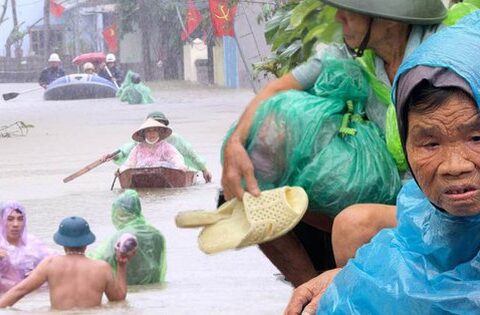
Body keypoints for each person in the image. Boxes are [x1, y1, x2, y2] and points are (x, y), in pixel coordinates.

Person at [220, 0, 447, 287]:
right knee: (250, 186)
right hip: (394, 192)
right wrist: (236, 146)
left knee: (352, 225)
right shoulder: (352, 55)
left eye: (349, 13)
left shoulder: (444, 52)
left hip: (443, 200)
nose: (339, 17)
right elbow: (276, 91)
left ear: (389, 19)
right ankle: (310, 291)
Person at [285, 10, 480, 314]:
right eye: (429, 144)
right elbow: (417, 258)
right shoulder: (422, 211)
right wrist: (354, 280)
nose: (454, 165)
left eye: (476, 139)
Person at [0, 216, 135, 310]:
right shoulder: (102, 268)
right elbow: (118, 299)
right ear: (87, 242)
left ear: (61, 242)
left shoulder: (50, 264)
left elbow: (19, 291)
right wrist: (121, 265)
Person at [111, 111, 212, 182]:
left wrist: (204, 169)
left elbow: (180, 158)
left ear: (162, 130)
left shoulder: (169, 145)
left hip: (167, 171)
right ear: (144, 133)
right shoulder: (139, 147)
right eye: (148, 130)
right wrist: (121, 169)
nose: (152, 134)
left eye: (156, 129)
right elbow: (129, 160)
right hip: (143, 172)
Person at [91, 190, 166, 285]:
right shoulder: (157, 234)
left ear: (121, 213)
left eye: (118, 213)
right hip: (154, 287)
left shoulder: (120, 237)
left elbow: (102, 261)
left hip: (126, 287)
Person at [0, 201, 53, 293]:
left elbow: (55, 262)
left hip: (31, 295)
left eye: (20, 219)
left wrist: (38, 272)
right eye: (10, 219)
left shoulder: (34, 244)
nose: (16, 224)